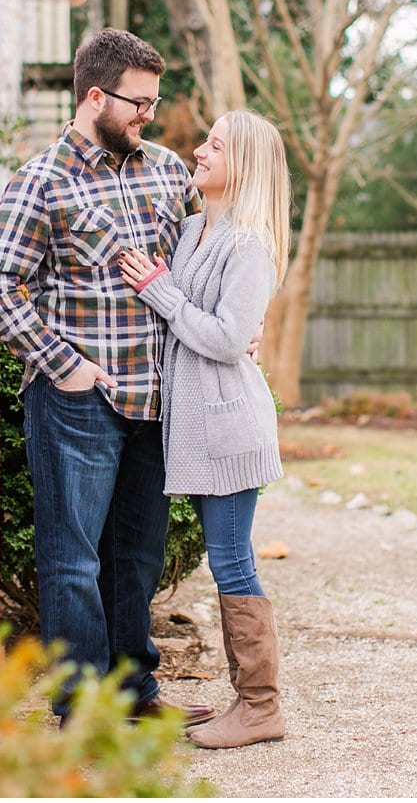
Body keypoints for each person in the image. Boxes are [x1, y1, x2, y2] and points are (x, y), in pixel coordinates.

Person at [0, 28, 214, 727]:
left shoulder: (167, 171)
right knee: (71, 558)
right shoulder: (42, 179)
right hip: (78, 400)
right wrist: (63, 363)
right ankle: (80, 703)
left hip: (157, 398)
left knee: (136, 556)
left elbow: (203, 268)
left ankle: (135, 695)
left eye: (154, 101)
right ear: (95, 96)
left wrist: (234, 322)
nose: (149, 115)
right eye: (138, 102)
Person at [118, 109, 290, 749]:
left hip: (229, 428)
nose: (201, 150)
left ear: (241, 164)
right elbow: (217, 326)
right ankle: (251, 703)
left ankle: (260, 706)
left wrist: (161, 291)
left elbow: (222, 339)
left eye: (215, 145)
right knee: (225, 562)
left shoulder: (250, 243)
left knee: (232, 564)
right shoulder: (191, 229)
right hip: (192, 425)